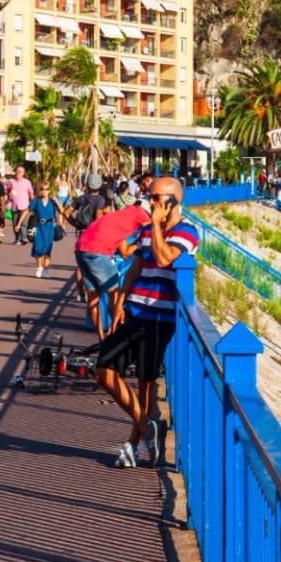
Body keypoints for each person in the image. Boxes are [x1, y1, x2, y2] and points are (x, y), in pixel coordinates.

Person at [99, 176, 200, 467]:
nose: (150, 202)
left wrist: (156, 224)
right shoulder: (145, 231)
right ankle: (146, 425)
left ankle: (133, 443)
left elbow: (166, 257)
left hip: (160, 316)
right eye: (149, 196)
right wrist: (119, 303)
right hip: (135, 311)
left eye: (156, 197)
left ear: (173, 201)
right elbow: (136, 267)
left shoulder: (187, 232)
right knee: (103, 370)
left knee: (145, 384)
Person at [74, 184, 149, 341]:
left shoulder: (120, 216)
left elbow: (125, 251)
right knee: (114, 294)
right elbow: (151, 232)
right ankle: (115, 337)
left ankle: (102, 339)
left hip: (81, 248)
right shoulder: (140, 214)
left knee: (93, 298)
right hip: (98, 251)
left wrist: (137, 242)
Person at [28, 183, 60, 279]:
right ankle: (39, 267)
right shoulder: (36, 201)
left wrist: (57, 202)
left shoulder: (52, 201)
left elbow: (60, 211)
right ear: (39, 190)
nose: (44, 191)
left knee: (47, 249)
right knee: (38, 247)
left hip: (49, 226)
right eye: (42, 189)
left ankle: (46, 269)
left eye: (46, 189)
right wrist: (19, 223)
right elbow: (27, 210)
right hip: (39, 226)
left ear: (49, 191)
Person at [7, 164, 35, 243]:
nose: (18, 173)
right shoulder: (11, 182)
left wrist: (34, 203)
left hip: (25, 206)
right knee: (15, 223)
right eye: (17, 171)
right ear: (15, 172)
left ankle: (24, 238)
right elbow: (7, 191)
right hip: (14, 206)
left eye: (20, 172)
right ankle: (17, 239)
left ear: (23, 173)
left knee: (24, 223)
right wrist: (9, 195)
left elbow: (31, 193)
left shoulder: (27, 182)